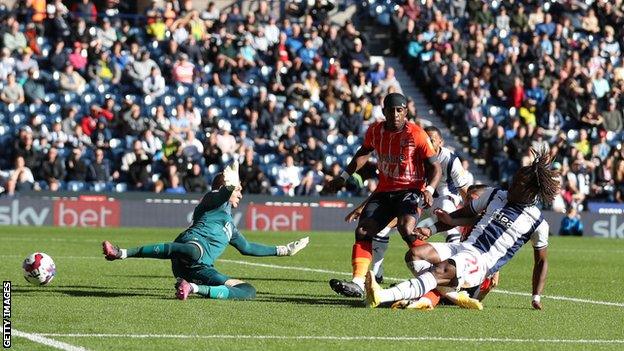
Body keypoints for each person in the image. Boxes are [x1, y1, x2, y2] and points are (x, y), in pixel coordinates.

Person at [365, 151, 559, 310]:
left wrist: (536, 296)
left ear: (530, 192)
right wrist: (432, 228)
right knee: (414, 254)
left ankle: (382, 296)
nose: (511, 186)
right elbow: (462, 215)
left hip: (480, 261)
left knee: (441, 270)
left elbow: (541, 261)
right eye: (513, 180)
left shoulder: (537, 222)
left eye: (517, 185)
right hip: (463, 246)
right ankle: (451, 294)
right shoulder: (494, 195)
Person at [102, 162, 310, 300]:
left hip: (198, 270)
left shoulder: (230, 225)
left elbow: (247, 248)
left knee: (248, 291)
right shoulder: (211, 202)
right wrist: (228, 188)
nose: (241, 194)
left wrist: (284, 250)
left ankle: (191, 288)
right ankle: (121, 253)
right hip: (191, 247)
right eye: (238, 190)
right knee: (193, 251)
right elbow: (219, 196)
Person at [328, 93, 442, 298]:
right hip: (384, 192)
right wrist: (344, 176)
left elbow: (435, 167)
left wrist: (429, 189)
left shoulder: (416, 134)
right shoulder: (375, 131)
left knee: (406, 227)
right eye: (391, 110)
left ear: (406, 112)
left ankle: (439, 273)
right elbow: (363, 153)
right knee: (363, 230)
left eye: (400, 110)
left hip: (411, 190)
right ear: (384, 112)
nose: (396, 114)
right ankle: (357, 283)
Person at [344, 126, 471, 284]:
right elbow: (388, 187)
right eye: (427, 139)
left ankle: (453, 273)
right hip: (418, 199)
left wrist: (471, 213)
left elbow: (465, 191)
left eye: (432, 140)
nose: (429, 143)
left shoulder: (450, 160)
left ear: (441, 142)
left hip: (443, 199)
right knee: (381, 228)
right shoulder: (413, 156)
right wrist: (363, 207)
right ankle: (376, 273)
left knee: (447, 216)